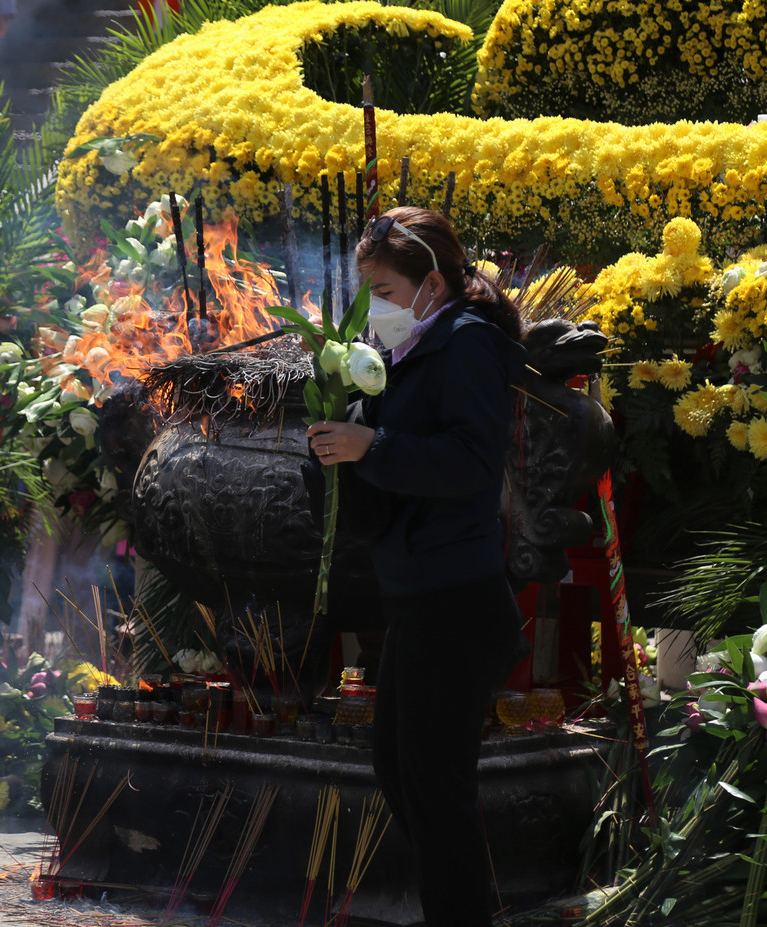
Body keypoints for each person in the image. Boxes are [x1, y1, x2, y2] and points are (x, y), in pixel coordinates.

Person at [306, 207, 528, 927]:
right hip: (418, 594)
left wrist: (372, 448)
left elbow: (470, 462)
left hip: (455, 598)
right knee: (402, 773)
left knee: (434, 789)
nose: (374, 308)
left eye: (385, 290)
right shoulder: (405, 350)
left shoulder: (466, 345)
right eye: (366, 291)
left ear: (432, 283)